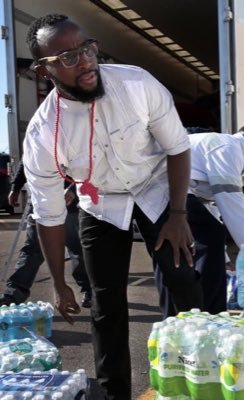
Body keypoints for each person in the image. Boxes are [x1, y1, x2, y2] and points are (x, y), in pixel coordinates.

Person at [22, 14, 200, 400]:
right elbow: (49, 215)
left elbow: (177, 147)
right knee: (106, 305)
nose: (85, 61)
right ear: (43, 70)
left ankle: (199, 379)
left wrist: (178, 215)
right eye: (68, 57)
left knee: (184, 280)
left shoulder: (136, 83)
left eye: (87, 48)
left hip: (158, 189)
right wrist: (58, 283)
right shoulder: (42, 135)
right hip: (101, 205)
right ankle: (114, 393)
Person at [155, 123, 244, 317]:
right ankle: (212, 316)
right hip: (166, 192)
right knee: (209, 238)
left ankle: (174, 320)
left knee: (174, 256)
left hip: (158, 193)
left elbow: (209, 206)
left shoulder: (222, 145)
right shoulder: (228, 148)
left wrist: (222, 257)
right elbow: (232, 203)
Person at [0, 161, 92, 308]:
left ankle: (89, 290)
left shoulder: (71, 138)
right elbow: (26, 161)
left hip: (68, 203)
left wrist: (74, 188)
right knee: (32, 250)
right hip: (39, 202)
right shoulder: (35, 138)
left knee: (77, 251)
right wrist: (15, 187)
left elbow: (88, 163)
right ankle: (14, 293)